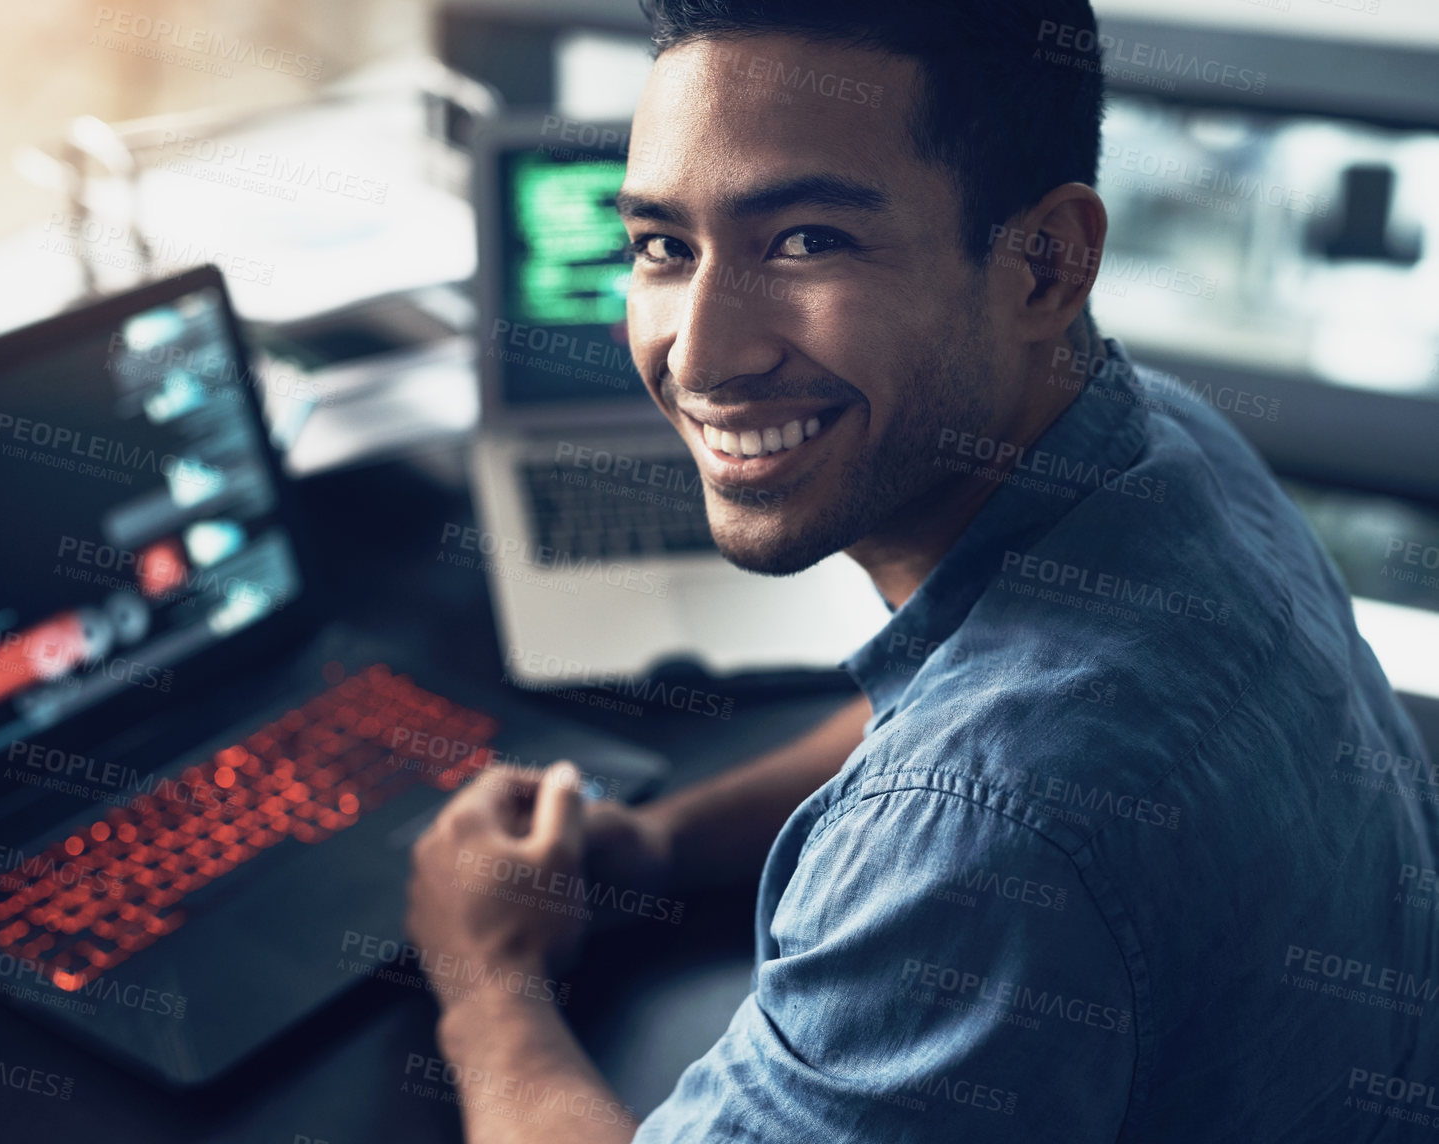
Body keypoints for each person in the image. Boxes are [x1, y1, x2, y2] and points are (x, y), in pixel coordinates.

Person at [405, 2, 1439, 1139]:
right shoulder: (1175, 446)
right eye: (663, 247)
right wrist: (660, 843)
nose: (698, 355)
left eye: (806, 240)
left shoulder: (980, 845)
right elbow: (959, 682)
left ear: (1046, 265)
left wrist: (489, 982)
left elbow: (979, 786)